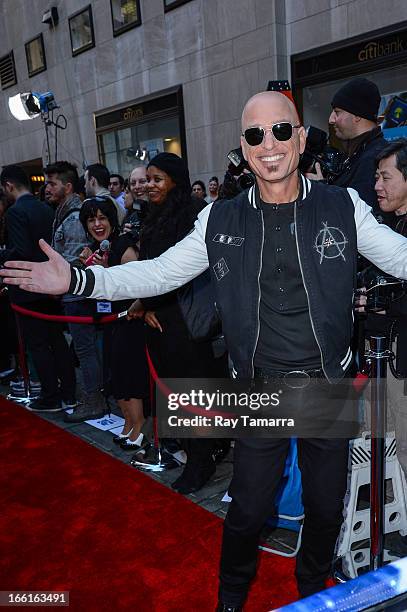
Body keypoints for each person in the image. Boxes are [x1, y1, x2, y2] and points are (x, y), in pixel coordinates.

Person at [2, 92, 407, 611]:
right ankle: (230, 598)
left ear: (301, 140)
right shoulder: (220, 218)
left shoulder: (343, 206)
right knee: (247, 510)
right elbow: (160, 271)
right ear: (244, 145)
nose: (270, 145)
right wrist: (81, 278)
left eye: (282, 131)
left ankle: (314, 589)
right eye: (256, 135)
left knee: (325, 508)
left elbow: (399, 257)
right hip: (259, 389)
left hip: (327, 386)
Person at [127, 152, 227, 494]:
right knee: (174, 391)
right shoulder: (152, 214)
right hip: (163, 318)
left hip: (189, 320)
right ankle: (195, 449)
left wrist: (150, 301)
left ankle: (202, 462)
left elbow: (182, 272)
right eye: (148, 180)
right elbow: (150, 268)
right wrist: (146, 302)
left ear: (176, 181)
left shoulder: (194, 214)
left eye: (158, 180)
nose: (150, 186)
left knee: (193, 393)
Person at [0, 165, 76, 412]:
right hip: (51, 283)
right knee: (57, 341)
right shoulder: (45, 208)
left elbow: (21, 251)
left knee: (39, 345)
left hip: (28, 287)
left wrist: (3, 256)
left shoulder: (15, 212)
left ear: (9, 186)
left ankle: (50, 396)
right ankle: (68, 393)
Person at [79, 197, 149, 451]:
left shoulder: (122, 244)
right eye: (91, 219)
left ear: (111, 220)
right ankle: (128, 423)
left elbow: (141, 279)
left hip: (129, 320)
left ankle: (139, 425)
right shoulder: (98, 249)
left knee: (129, 373)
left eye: (102, 218)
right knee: (116, 373)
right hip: (109, 322)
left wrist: (108, 270)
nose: (97, 224)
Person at [44, 161, 105, 421]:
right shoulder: (65, 213)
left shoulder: (75, 217)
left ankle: (95, 400)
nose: (47, 188)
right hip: (74, 293)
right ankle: (96, 396)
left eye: (52, 183)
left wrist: (56, 282)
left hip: (77, 294)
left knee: (85, 349)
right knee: (86, 348)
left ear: (67, 187)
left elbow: (78, 261)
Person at [307, 78, 387, 218]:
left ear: (357, 116)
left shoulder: (375, 159)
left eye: (337, 112)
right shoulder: (355, 154)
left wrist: (320, 189)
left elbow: (358, 216)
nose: (331, 119)